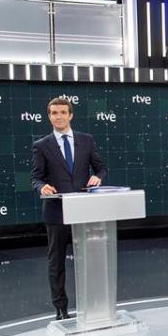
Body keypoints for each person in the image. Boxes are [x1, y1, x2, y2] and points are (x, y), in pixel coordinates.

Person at [31, 97, 107, 320]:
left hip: (84, 211)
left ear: (70, 115)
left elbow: (101, 168)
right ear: (49, 116)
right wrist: (42, 187)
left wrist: (98, 177)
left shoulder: (86, 140)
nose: (59, 117)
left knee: (90, 260)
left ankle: (94, 304)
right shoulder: (41, 145)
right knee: (56, 263)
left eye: (63, 112)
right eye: (54, 113)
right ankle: (61, 309)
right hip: (57, 213)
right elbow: (36, 177)